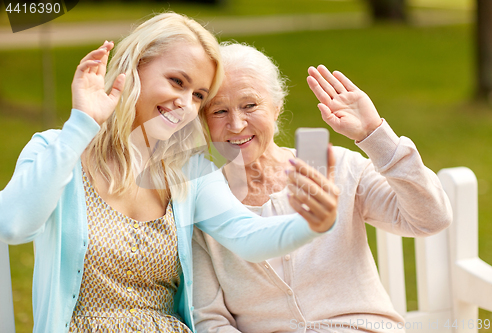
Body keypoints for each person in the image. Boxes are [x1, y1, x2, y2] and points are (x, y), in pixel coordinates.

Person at [0, 14, 333, 333]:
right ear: (136, 66)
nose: (185, 103)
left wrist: (311, 223)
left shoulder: (191, 172)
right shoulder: (59, 150)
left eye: (198, 96)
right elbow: (13, 225)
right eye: (177, 82)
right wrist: (82, 125)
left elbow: (248, 237)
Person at [192, 42, 453, 333]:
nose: (237, 124)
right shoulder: (204, 206)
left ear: (276, 107)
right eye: (218, 111)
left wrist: (374, 135)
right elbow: (210, 320)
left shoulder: (339, 168)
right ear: (202, 120)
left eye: (250, 105)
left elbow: (431, 219)